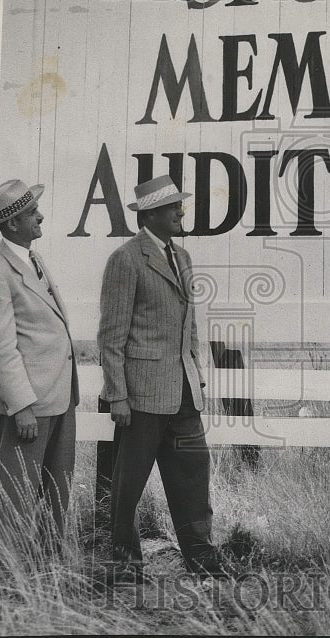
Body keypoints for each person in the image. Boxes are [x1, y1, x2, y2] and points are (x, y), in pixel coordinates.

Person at [98, 175, 222, 578]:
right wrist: (117, 395)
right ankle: (126, 565)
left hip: (184, 394)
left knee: (193, 476)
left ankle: (202, 561)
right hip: (141, 397)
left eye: (179, 205)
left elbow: (190, 326)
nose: (180, 212)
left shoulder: (182, 257)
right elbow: (111, 336)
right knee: (128, 488)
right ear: (150, 214)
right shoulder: (126, 259)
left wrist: (197, 374)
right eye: (173, 207)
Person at [0, 179, 78, 551]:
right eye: (33, 213)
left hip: (58, 397)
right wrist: (21, 407)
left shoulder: (32, 259)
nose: (41, 216)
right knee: (14, 496)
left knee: (56, 492)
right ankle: (5, 578)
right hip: (29, 407)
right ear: (14, 223)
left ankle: (45, 574)